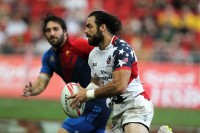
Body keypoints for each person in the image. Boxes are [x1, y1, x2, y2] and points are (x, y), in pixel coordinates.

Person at [22, 14, 111, 133]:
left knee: (64, 130)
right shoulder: (48, 57)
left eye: (56, 29)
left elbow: (105, 54)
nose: (52, 33)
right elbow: (42, 81)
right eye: (48, 30)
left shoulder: (78, 45)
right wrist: (33, 89)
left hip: (97, 101)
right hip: (81, 103)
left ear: (64, 31)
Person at [68, 10, 154, 133]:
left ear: (102, 27)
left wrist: (87, 94)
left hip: (135, 104)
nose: (85, 31)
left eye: (89, 26)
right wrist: (81, 94)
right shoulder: (93, 55)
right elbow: (97, 83)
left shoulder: (121, 49)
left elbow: (120, 86)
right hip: (117, 110)